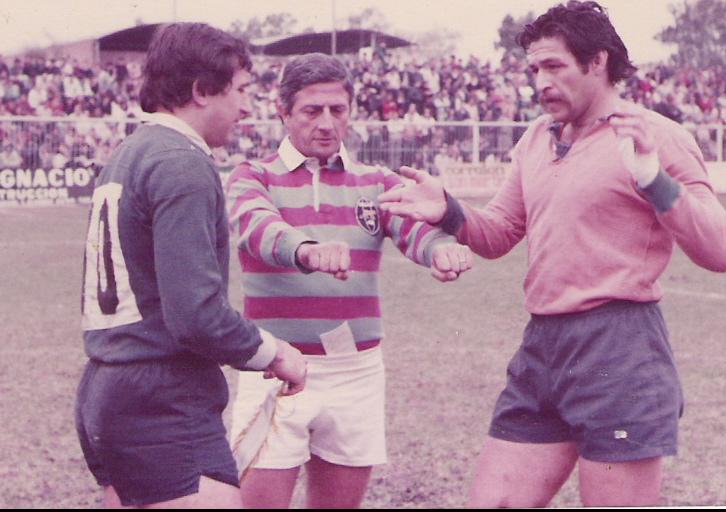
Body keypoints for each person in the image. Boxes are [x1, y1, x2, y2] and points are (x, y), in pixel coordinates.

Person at [378, 1, 726, 507]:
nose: (540, 82)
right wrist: (449, 212)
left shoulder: (652, 135)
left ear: (598, 62)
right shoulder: (535, 138)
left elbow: (722, 249)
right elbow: (501, 231)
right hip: (543, 347)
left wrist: (655, 182)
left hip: (619, 348)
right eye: (534, 69)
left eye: (554, 66)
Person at [225, 52, 473, 509]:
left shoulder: (376, 181)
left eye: (337, 110)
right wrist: (305, 250)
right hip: (275, 369)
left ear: (351, 111)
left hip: (356, 372)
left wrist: (442, 251)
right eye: (311, 110)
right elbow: (257, 227)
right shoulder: (252, 175)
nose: (326, 123)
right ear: (283, 112)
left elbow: (414, 229)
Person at [75, 23, 307, 509]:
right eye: (242, 91)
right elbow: (196, 316)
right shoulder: (182, 161)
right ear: (201, 91)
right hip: (160, 399)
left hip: (107, 387)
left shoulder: (127, 156)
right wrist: (274, 352)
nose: (248, 108)